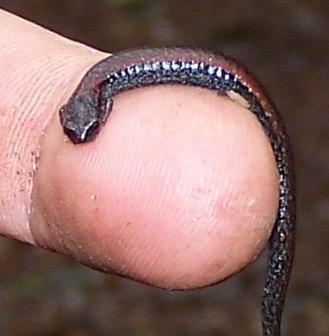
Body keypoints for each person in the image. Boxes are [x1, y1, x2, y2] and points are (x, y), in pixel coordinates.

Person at [0, 9, 279, 290]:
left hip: (222, 74)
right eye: (76, 131)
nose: (82, 137)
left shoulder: (101, 90)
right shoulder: (99, 90)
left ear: (102, 109)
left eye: (90, 129)